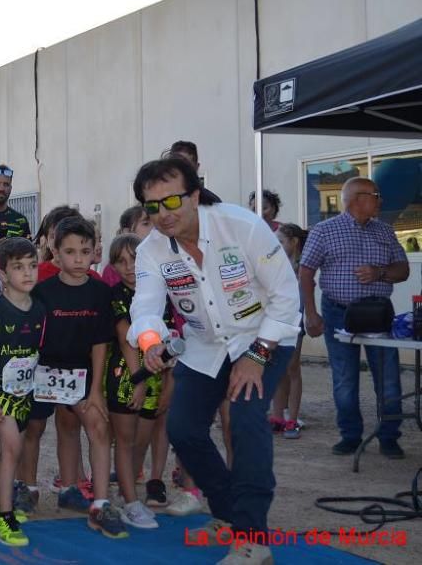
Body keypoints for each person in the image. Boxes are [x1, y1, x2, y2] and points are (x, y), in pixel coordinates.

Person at [128, 155, 300, 565]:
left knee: (244, 420)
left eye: (172, 202)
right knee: (183, 429)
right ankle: (230, 515)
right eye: (152, 207)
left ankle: (253, 540)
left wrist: (257, 356)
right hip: (204, 346)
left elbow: (287, 297)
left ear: (195, 195)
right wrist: (151, 342)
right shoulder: (151, 250)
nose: (162, 214)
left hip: (264, 337)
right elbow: (145, 306)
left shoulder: (242, 226)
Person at [28, 217, 126, 538]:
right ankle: (42, 488)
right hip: (45, 369)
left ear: (95, 250)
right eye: (70, 252)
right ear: (55, 252)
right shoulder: (42, 291)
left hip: (84, 371)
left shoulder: (100, 291)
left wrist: (96, 391)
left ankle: (99, 502)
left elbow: (101, 343)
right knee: (46, 428)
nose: (79, 259)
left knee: (97, 426)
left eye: (85, 251)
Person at [300, 177, 411, 459]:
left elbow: (403, 270)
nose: (380, 200)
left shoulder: (385, 232)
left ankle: (389, 436)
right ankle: (350, 435)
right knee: (345, 377)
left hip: (378, 312)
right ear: (358, 199)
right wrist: (310, 314)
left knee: (387, 378)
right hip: (339, 311)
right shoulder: (324, 231)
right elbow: (306, 272)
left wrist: (380, 273)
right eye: (377, 195)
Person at [0, 237, 44, 548]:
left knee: (9, 451)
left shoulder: (39, 310)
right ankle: (3, 517)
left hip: (25, 393)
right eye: (18, 267)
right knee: (13, 448)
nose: (27, 273)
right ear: (2, 274)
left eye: (32, 266)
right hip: (0, 397)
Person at [105, 233, 166, 530]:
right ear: (113, 266)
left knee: (141, 441)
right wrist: (139, 380)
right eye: (121, 261)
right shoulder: (116, 295)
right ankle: (130, 502)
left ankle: (128, 494)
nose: (129, 267)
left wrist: (164, 381)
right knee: (125, 442)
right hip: (126, 377)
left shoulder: (159, 291)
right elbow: (125, 338)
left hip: (156, 376)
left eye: (135, 259)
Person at [270, 223, 308, 439]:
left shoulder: (301, 267)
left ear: (294, 243)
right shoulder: (273, 263)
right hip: (274, 321)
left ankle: (292, 418)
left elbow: (301, 298)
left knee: (292, 369)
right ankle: (277, 416)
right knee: (277, 369)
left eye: (280, 242)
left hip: (294, 322)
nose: (276, 246)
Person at [101, 206, 154, 287]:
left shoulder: (161, 258)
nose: (153, 228)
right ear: (127, 231)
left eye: (155, 223)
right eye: (146, 224)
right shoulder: (112, 271)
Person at [0, 165, 31, 241]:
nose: (1, 188)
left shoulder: (20, 220)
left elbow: (29, 251)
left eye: (6, 184)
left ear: (11, 188)